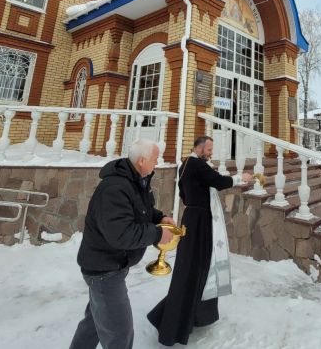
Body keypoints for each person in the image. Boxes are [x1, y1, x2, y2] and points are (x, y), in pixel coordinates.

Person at [147, 136, 253, 346]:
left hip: (192, 218)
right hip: (200, 223)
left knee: (194, 270)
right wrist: (243, 178)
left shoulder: (186, 165)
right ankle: (173, 323)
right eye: (209, 148)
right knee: (195, 269)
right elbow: (219, 181)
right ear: (199, 147)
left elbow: (183, 194)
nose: (211, 152)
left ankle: (188, 316)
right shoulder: (196, 164)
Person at [70, 138, 174, 349]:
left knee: (94, 325)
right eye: (155, 158)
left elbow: (139, 211)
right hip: (104, 270)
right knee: (120, 335)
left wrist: (159, 218)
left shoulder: (136, 181)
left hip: (109, 266)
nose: (158, 162)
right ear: (143, 160)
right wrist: (156, 234)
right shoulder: (115, 188)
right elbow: (121, 234)